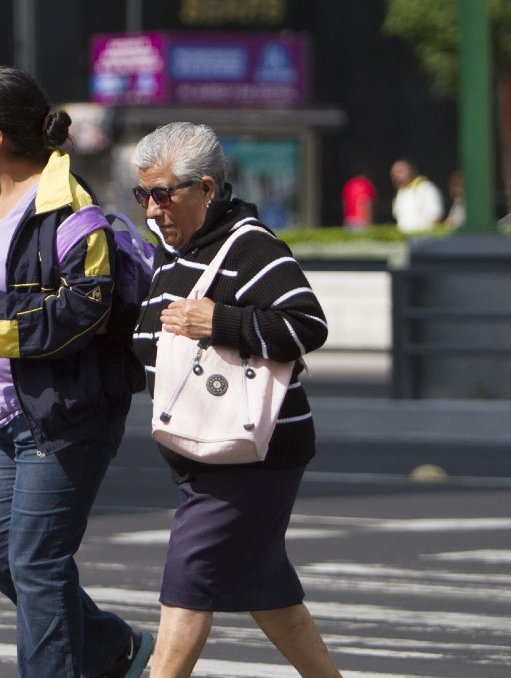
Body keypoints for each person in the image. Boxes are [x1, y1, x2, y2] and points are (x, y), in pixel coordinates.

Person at [0, 65, 153, 678]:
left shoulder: (68, 208)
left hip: (64, 416)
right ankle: (112, 648)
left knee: (37, 563)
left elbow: (86, 307)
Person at [129, 122, 342, 678]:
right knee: (264, 586)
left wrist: (219, 321)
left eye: (162, 194)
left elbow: (308, 325)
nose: (152, 210)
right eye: (142, 195)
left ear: (206, 189)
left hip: (252, 449)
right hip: (205, 449)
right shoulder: (173, 252)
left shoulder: (250, 247)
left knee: (188, 576)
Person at [389, 158, 443, 233]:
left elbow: (435, 217)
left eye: (400, 172)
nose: (396, 176)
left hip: (424, 239)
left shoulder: (426, 188)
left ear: (412, 171)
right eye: (393, 173)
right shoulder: (400, 193)